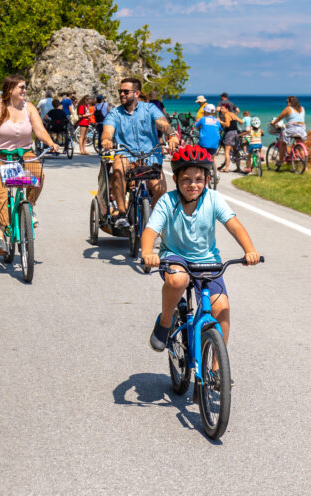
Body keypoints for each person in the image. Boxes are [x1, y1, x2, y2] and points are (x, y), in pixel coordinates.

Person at [143, 145, 261, 352]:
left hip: (207, 261)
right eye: (186, 180)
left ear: (207, 180)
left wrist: (249, 250)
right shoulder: (167, 201)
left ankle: (217, 370)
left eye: (199, 179)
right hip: (174, 257)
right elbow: (151, 230)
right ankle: (165, 320)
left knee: (221, 308)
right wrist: (147, 253)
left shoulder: (213, 199)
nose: (193, 185)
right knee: (178, 279)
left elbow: (234, 225)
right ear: (176, 180)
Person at [0, 76, 61, 256]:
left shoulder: (29, 108)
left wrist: (51, 143)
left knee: (38, 176)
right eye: (21, 87)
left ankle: (29, 207)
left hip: (22, 155)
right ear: (10, 89)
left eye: (25, 87)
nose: (24, 90)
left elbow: (39, 130)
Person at [100, 76, 180, 228]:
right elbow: (107, 131)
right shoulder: (115, 113)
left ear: (137, 93)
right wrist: (106, 140)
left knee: (160, 189)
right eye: (120, 91)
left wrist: (172, 135)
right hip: (126, 156)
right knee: (118, 167)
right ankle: (122, 214)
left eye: (126, 91)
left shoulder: (150, 109)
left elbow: (162, 123)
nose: (122, 94)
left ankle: (154, 223)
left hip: (150, 157)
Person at [217, 104, 242, 172]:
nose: (221, 110)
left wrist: (220, 121)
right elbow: (241, 122)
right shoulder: (233, 114)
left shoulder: (226, 114)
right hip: (235, 133)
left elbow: (227, 124)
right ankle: (238, 168)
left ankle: (227, 168)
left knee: (227, 151)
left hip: (230, 133)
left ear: (227, 109)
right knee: (236, 151)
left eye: (222, 108)